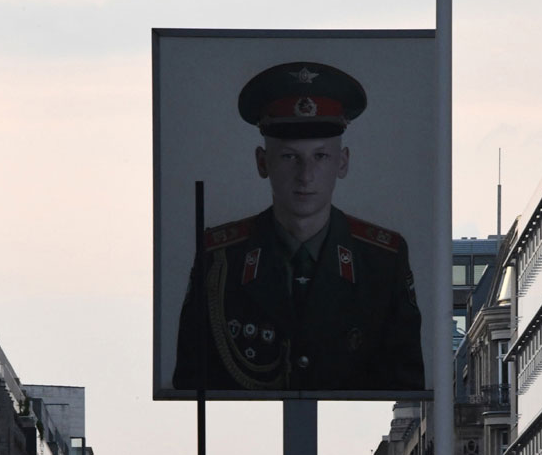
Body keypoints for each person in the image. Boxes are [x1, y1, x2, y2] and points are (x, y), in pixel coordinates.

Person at [172, 60, 425, 394]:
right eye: (290, 157)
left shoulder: (382, 259)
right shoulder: (220, 259)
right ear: (263, 163)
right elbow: (192, 380)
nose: (306, 175)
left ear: (343, 162)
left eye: (320, 157)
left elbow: (407, 385)